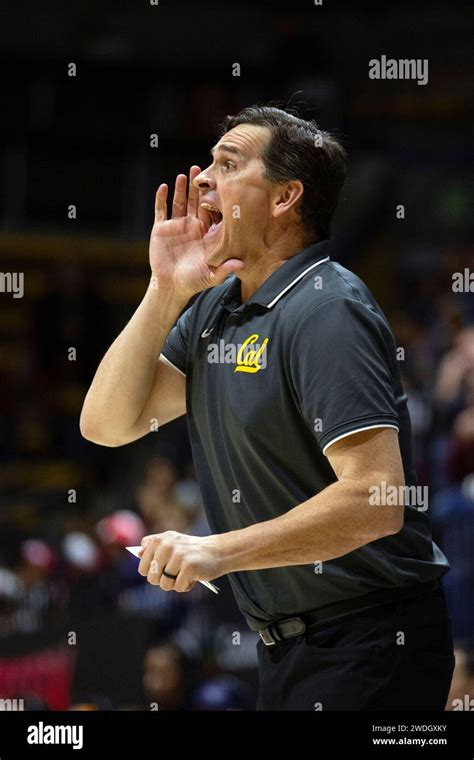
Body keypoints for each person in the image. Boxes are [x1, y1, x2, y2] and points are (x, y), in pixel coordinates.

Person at [80, 106, 454, 710]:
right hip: (286, 646)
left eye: (227, 164)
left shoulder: (328, 307)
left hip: (374, 640)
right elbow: (107, 424)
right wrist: (165, 288)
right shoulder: (214, 309)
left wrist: (215, 551)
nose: (202, 179)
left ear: (285, 197)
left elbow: (375, 500)